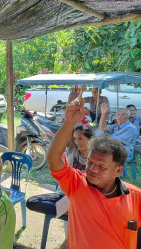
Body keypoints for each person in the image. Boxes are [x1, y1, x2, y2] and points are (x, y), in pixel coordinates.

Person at [47, 94, 141, 248]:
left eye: (101, 166)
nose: (91, 169)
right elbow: (53, 159)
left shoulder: (135, 197)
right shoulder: (77, 184)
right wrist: (69, 122)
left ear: (118, 170)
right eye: (90, 162)